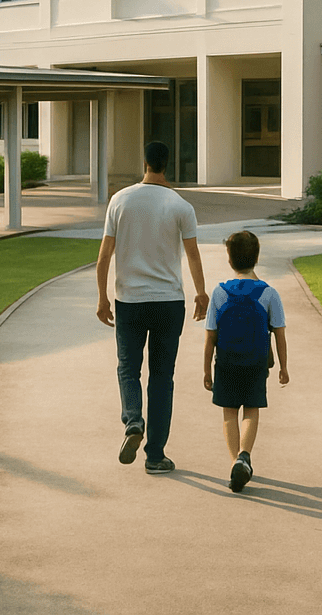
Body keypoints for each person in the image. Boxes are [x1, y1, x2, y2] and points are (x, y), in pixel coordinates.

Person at [95, 140, 207, 474]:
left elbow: (104, 257)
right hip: (168, 302)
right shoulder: (181, 206)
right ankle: (156, 455)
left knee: (128, 368)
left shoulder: (120, 200)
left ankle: (133, 422)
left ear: (144, 162)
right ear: (167, 164)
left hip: (129, 300)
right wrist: (201, 293)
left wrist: (102, 297)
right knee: (162, 377)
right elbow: (193, 254)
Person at [202, 229, 288, 493]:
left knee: (229, 412)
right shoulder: (269, 293)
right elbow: (280, 335)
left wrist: (206, 370)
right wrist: (284, 367)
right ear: (257, 258)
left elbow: (210, 338)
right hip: (256, 363)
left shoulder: (219, 293)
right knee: (251, 409)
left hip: (226, 362)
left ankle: (234, 464)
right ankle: (244, 456)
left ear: (230, 260)